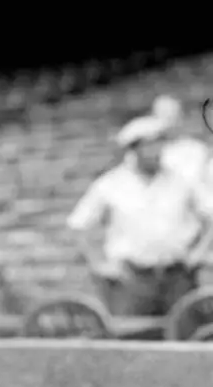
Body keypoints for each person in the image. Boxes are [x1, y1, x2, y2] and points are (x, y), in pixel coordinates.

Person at [68, 114, 213, 316]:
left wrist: (199, 252)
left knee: (183, 334)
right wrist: (99, 264)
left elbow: (210, 215)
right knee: (135, 337)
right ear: (134, 149)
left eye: (160, 145)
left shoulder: (181, 180)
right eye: (150, 146)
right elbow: (78, 225)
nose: (157, 152)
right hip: (132, 280)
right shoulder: (111, 184)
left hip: (178, 275)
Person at [151, 94, 211, 186]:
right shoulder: (145, 150)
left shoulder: (197, 149)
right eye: (163, 114)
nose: (168, 121)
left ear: (181, 117)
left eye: (172, 115)